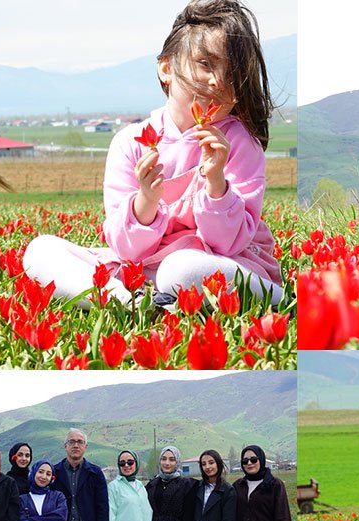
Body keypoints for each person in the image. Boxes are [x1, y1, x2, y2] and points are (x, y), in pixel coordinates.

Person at [22, 0, 283, 308]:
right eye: (206, 63)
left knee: (181, 268)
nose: (218, 82)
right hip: (139, 271)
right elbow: (125, 249)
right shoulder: (130, 142)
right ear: (166, 68)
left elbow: (228, 244)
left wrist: (216, 184)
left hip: (218, 265)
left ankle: (261, 297)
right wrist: (145, 199)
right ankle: (129, 304)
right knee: (40, 250)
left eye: (232, 72)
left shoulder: (239, 143)